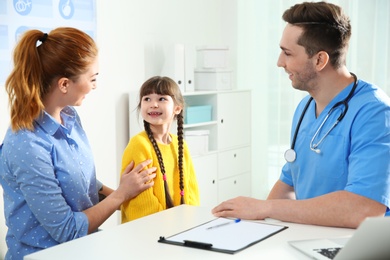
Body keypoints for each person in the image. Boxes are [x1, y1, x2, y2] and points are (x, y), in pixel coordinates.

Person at [212, 1, 390, 228]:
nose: (279, 62)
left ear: (319, 60)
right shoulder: (305, 108)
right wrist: (251, 228)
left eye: (287, 53)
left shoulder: (374, 113)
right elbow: (288, 185)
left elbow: (365, 209)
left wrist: (264, 207)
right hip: (307, 238)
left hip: (358, 244)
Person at [0, 27, 156, 260]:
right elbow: (67, 230)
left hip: (85, 248)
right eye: (92, 79)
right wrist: (121, 195)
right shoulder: (27, 144)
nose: (95, 86)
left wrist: (129, 196)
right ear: (64, 84)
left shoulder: (69, 117)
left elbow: (77, 179)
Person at [120, 76, 200, 222]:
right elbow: (141, 206)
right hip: (147, 231)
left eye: (162, 99)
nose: (153, 104)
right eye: (147, 99)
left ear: (177, 108)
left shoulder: (180, 144)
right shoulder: (139, 144)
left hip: (178, 229)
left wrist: (188, 222)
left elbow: (191, 192)